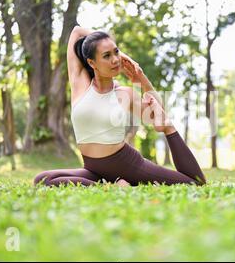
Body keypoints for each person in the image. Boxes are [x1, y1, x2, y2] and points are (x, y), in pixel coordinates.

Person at [33, 26, 206, 187]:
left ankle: (116, 184)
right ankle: (112, 185)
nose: (116, 60)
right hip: (93, 169)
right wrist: (124, 55)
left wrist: (141, 78)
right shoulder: (80, 83)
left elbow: (159, 117)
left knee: (194, 182)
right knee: (43, 179)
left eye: (116, 52)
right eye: (107, 56)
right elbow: (77, 31)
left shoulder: (124, 94)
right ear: (92, 63)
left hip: (127, 165)